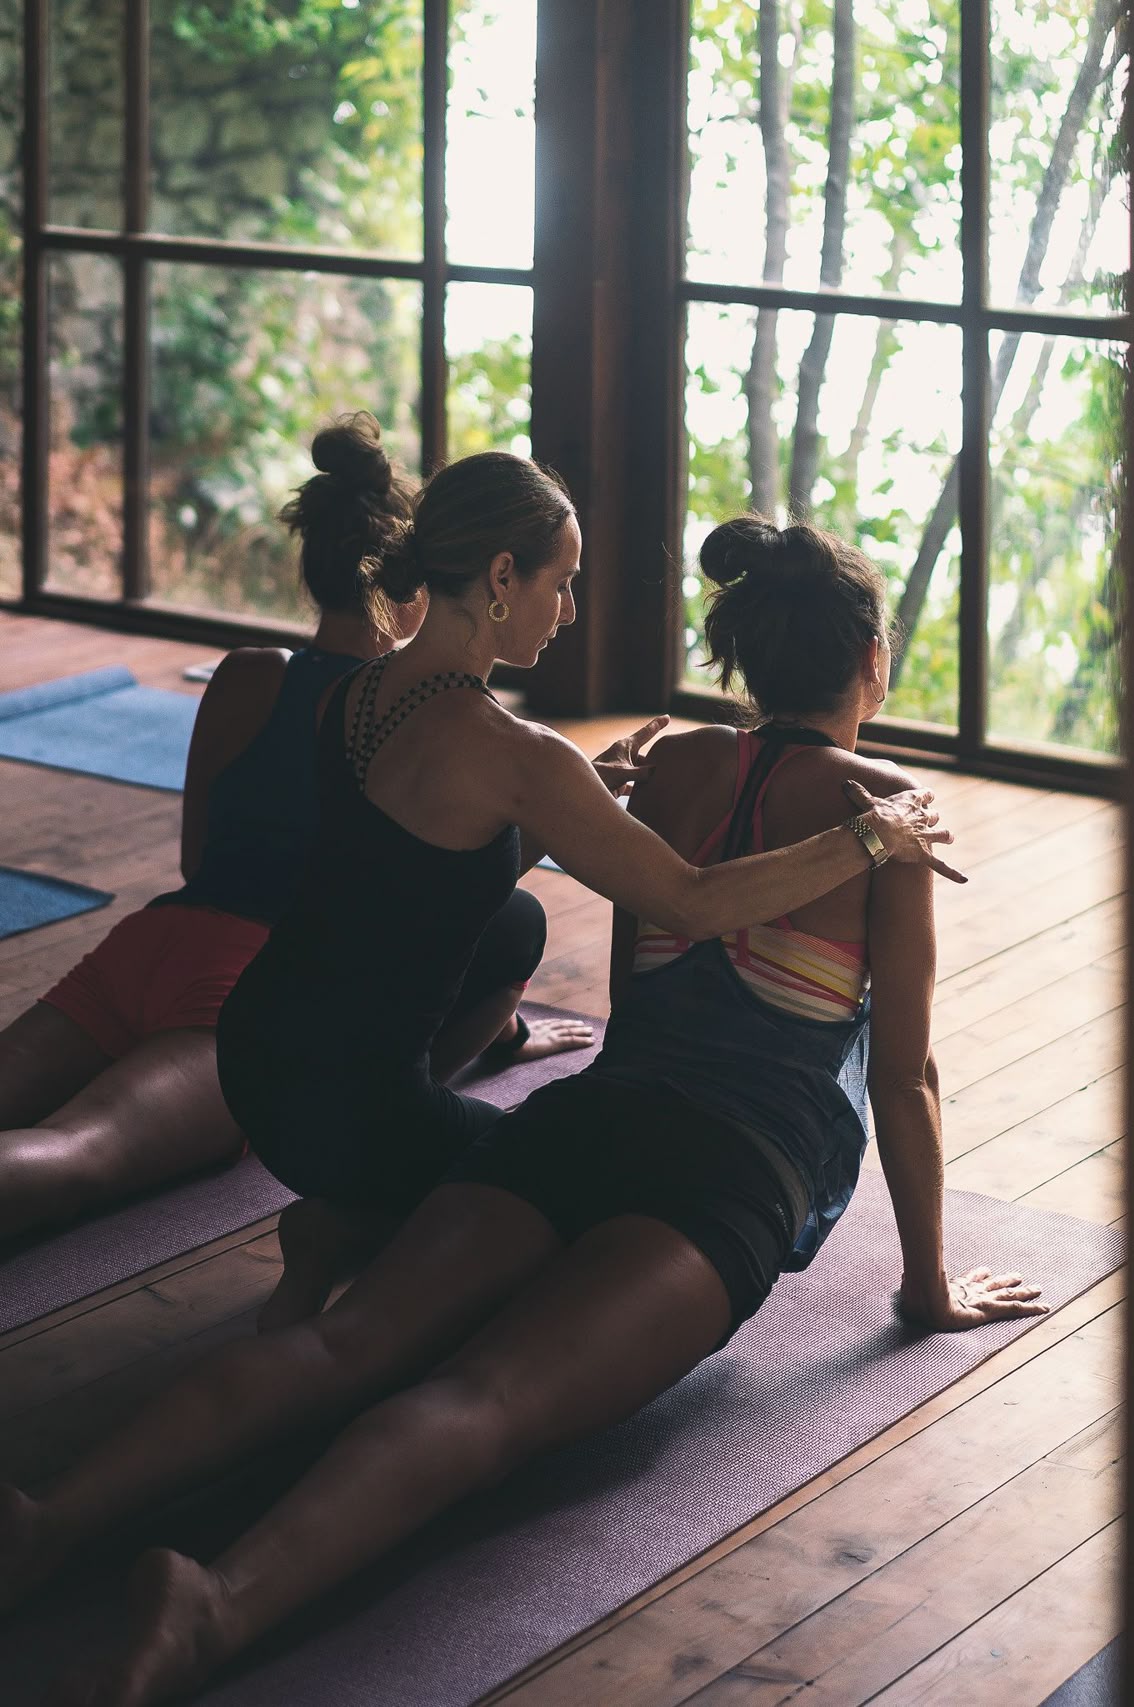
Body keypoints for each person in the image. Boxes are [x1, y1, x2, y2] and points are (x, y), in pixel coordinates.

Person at [0, 499, 994, 1707]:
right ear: (872, 666)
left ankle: (52, 1519)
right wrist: (928, 1284)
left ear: (741, 658)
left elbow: (640, 953)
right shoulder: (884, 813)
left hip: (586, 1116)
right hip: (730, 1171)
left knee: (343, 1343)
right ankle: (212, 1608)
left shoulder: (669, 761)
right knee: (481, 1402)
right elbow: (902, 1074)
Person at [0, 416, 586, 1244]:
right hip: (243, 983)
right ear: (420, 581)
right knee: (75, 1152)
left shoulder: (246, 676)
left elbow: (196, 856)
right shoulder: (420, 714)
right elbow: (423, 906)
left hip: (149, 940)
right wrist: (506, 1025)